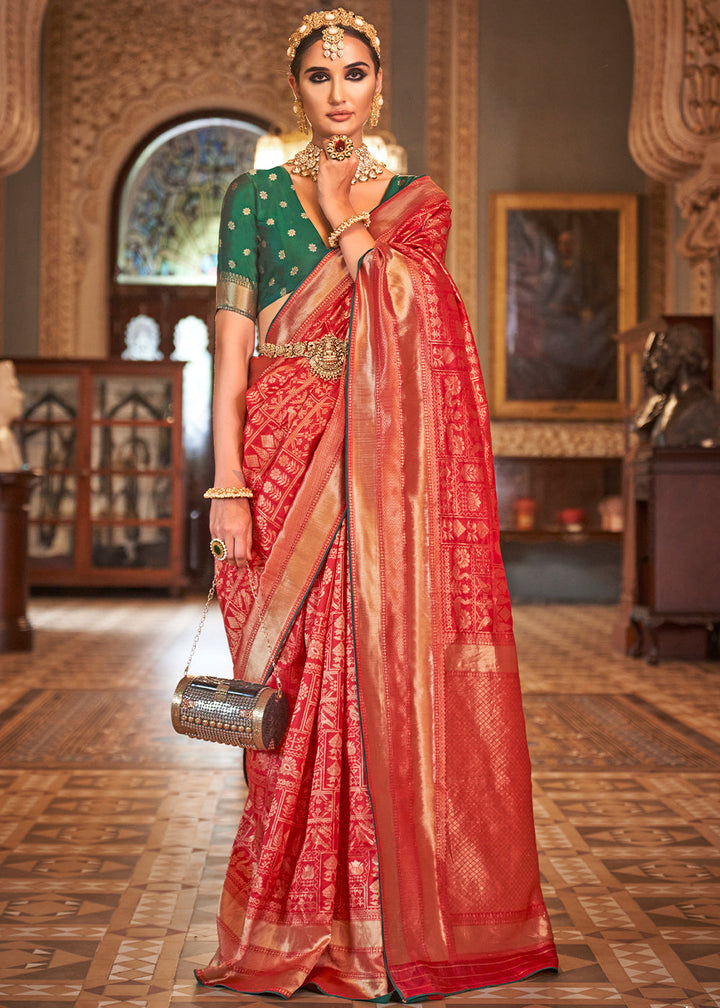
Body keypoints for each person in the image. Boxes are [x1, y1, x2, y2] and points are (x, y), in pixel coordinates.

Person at [196, 7, 557, 1002]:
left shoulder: (412, 204)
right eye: (320, 75)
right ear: (297, 88)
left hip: (381, 479)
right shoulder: (251, 198)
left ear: (380, 84)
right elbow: (230, 358)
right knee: (284, 696)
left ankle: (382, 924)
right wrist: (228, 486)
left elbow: (421, 323)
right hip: (277, 462)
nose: (338, 91)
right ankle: (288, 917)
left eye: (354, 72)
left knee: (378, 675)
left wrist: (347, 211)